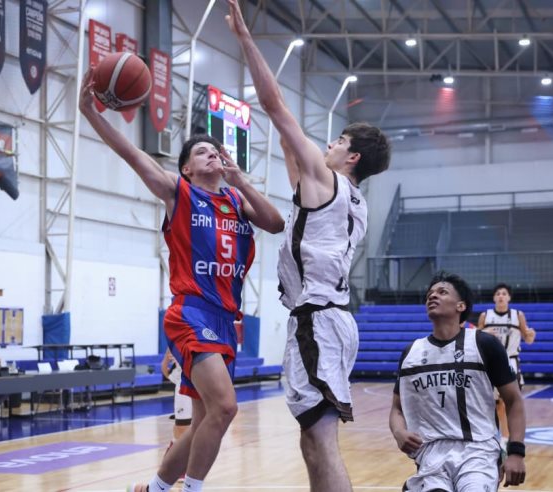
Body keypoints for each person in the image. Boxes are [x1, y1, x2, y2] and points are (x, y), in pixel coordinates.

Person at [78, 66, 284, 492]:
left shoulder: (236, 199)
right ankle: (191, 489)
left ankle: (154, 489)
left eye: (215, 151)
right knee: (225, 407)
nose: (212, 155)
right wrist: (91, 113)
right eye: (202, 152)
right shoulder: (180, 192)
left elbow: (276, 223)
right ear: (186, 168)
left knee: (204, 420)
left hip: (226, 319)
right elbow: (131, 154)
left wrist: (241, 179)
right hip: (191, 311)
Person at [226, 3, 391, 490]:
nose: (328, 145)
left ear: (352, 156)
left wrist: (245, 39)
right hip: (328, 318)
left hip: (318, 320)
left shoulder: (328, 182)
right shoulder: (352, 201)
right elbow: (286, 141)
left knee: (320, 441)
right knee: (311, 441)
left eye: (337, 141)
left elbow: (275, 106)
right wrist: (277, 144)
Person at [390, 271, 527, 491]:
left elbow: (513, 400)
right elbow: (397, 408)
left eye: (442, 292)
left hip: (479, 451)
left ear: (460, 306)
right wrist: (399, 433)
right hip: (432, 454)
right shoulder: (411, 353)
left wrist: (516, 452)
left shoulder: (485, 345)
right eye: (430, 293)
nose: (432, 296)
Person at [477, 283, 536, 439]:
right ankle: (496, 438)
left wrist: (531, 335)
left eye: (504, 293)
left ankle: (506, 439)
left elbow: (528, 339)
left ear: (509, 297)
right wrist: (483, 332)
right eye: (498, 294)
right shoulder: (485, 316)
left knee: (508, 402)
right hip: (490, 363)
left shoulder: (518, 315)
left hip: (510, 362)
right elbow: (475, 337)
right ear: (494, 298)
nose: (501, 296)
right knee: (494, 405)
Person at [161, 348, 192, 442]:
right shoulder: (176, 344)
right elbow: (164, 367)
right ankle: (174, 448)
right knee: (182, 427)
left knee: (199, 427)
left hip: (200, 386)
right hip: (184, 390)